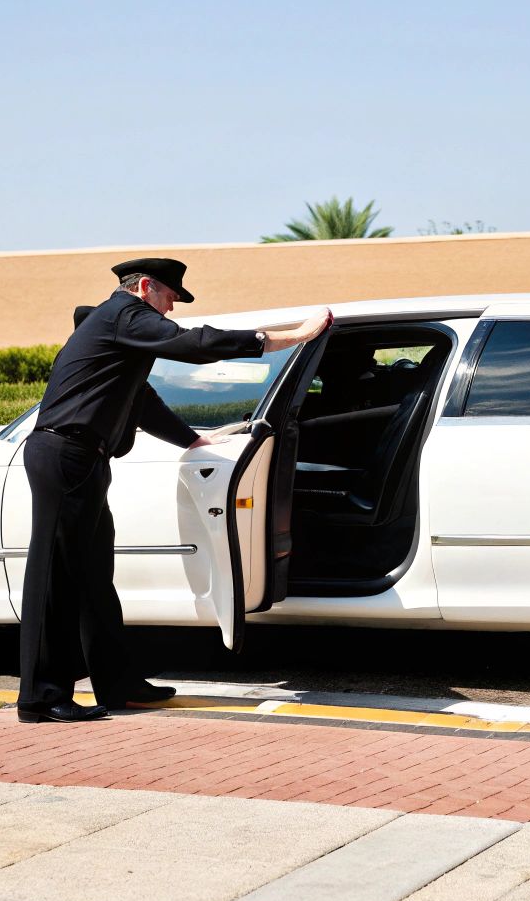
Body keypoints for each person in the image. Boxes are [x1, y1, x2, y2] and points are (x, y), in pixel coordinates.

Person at [17, 257, 331, 724]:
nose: (170, 312)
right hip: (66, 454)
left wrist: (197, 441)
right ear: (145, 287)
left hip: (81, 458)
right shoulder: (123, 315)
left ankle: (118, 684)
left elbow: (141, 401)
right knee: (56, 577)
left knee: (93, 577)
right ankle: (40, 698)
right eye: (168, 299)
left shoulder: (118, 329)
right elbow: (193, 344)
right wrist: (289, 338)